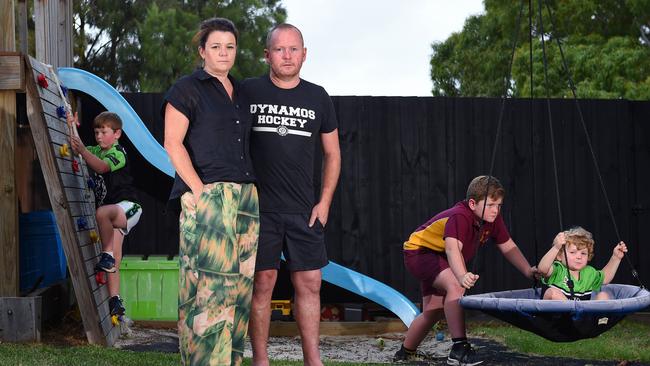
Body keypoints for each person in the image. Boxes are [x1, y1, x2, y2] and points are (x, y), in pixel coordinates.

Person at [243, 23, 341, 366]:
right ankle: (260, 360)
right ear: (266, 54)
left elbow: (333, 154)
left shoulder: (318, 96)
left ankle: (313, 360)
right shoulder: (247, 91)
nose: (287, 56)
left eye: (294, 49)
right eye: (280, 49)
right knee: (263, 284)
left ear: (304, 54)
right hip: (259, 210)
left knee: (311, 283)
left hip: (304, 210)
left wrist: (324, 201)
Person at [162, 17, 259, 366]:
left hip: (246, 199)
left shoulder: (243, 92)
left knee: (239, 292)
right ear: (203, 51)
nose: (224, 53)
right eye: (216, 46)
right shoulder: (187, 88)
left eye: (230, 47)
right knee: (209, 293)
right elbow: (172, 143)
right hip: (208, 195)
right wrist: (201, 192)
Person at [394, 175, 537, 365]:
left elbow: (507, 245)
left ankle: (405, 352)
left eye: (499, 206)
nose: (495, 211)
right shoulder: (459, 216)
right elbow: (452, 248)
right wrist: (461, 275)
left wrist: (528, 270)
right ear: (472, 203)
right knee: (456, 285)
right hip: (420, 253)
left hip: (440, 257)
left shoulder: (492, 220)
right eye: (491, 205)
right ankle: (459, 348)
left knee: (433, 311)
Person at [69, 111, 142, 317]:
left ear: (117, 134)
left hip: (129, 207)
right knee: (114, 259)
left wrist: (83, 150)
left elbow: (101, 167)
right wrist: (71, 126)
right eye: (96, 132)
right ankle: (115, 301)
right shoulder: (95, 150)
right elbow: (78, 148)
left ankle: (106, 254)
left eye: (104, 132)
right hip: (113, 217)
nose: (99, 136)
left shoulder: (118, 152)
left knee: (102, 213)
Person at [538, 226, 627, 300]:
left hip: (582, 318)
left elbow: (605, 278)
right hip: (555, 317)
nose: (579, 257)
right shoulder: (558, 269)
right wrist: (556, 248)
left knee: (603, 295)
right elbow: (542, 269)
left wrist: (616, 257)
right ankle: (571, 311)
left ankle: (598, 320)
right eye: (573, 252)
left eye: (583, 253)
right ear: (559, 256)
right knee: (552, 292)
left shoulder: (588, 273)